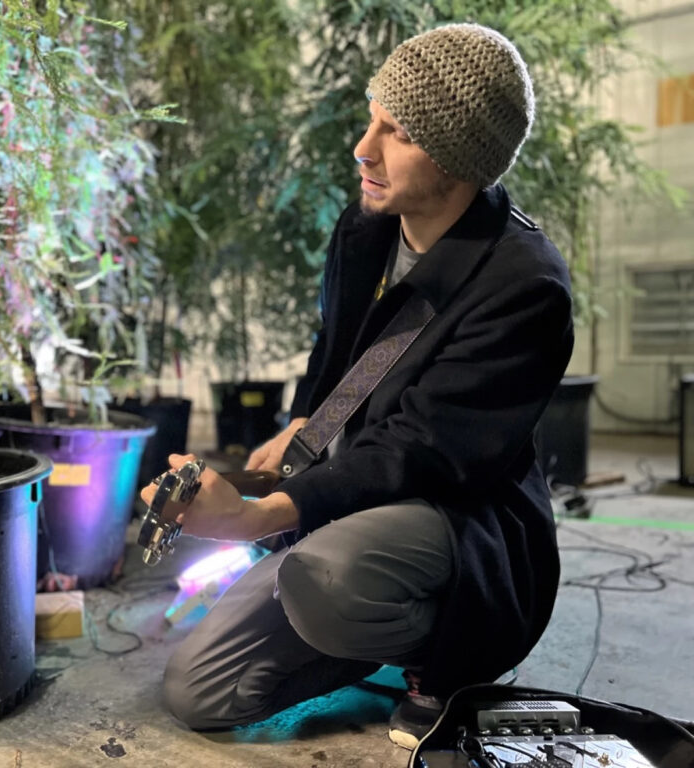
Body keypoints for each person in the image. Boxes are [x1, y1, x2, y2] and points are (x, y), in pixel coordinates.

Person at [141, 22, 576, 750]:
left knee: (326, 575)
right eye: (372, 114)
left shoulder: (524, 284)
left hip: (458, 520)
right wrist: (303, 430)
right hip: (356, 499)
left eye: (396, 131)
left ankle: (445, 664)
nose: (363, 148)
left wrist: (260, 517)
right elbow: (341, 354)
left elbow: (422, 452)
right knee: (199, 690)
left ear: (460, 158)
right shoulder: (369, 225)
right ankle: (348, 614)